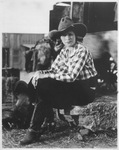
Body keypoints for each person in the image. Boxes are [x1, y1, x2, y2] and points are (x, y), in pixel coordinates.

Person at [19, 16, 97, 145]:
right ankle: (36, 127)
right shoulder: (64, 51)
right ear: (60, 38)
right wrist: (40, 73)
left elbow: (71, 76)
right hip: (70, 87)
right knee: (38, 82)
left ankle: (37, 128)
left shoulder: (82, 50)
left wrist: (46, 77)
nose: (67, 38)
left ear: (75, 35)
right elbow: (54, 70)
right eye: (64, 36)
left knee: (45, 85)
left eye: (70, 35)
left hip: (85, 91)